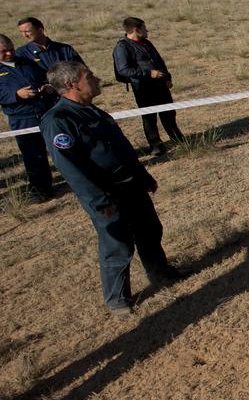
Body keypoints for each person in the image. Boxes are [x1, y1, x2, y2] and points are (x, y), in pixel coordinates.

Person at [40, 62, 188, 315]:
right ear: (71, 84)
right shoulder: (58, 120)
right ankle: (117, 298)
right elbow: (71, 169)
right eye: (89, 76)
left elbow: (122, 150)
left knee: (150, 229)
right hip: (105, 193)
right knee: (117, 244)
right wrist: (99, 200)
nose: (96, 78)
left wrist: (143, 177)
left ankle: (161, 272)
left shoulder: (94, 111)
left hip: (130, 184)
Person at [111, 17, 184, 156]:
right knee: (149, 117)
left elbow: (159, 61)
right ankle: (156, 145)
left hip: (160, 85)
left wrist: (167, 77)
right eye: (144, 28)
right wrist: (148, 73)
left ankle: (178, 139)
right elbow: (123, 70)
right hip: (143, 88)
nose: (147, 30)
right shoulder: (122, 47)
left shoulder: (147, 43)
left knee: (169, 113)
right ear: (136, 30)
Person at [0, 35, 56, 199]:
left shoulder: (27, 62)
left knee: (59, 146)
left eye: (11, 49)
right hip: (22, 117)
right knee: (34, 154)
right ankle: (41, 190)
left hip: (45, 111)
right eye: (4, 51)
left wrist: (47, 87)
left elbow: (44, 76)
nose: (9, 53)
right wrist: (16, 95)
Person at [15, 18, 82, 70]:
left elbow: (81, 70)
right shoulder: (21, 54)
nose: (24, 35)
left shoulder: (65, 49)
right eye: (22, 32)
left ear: (40, 30)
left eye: (27, 31)